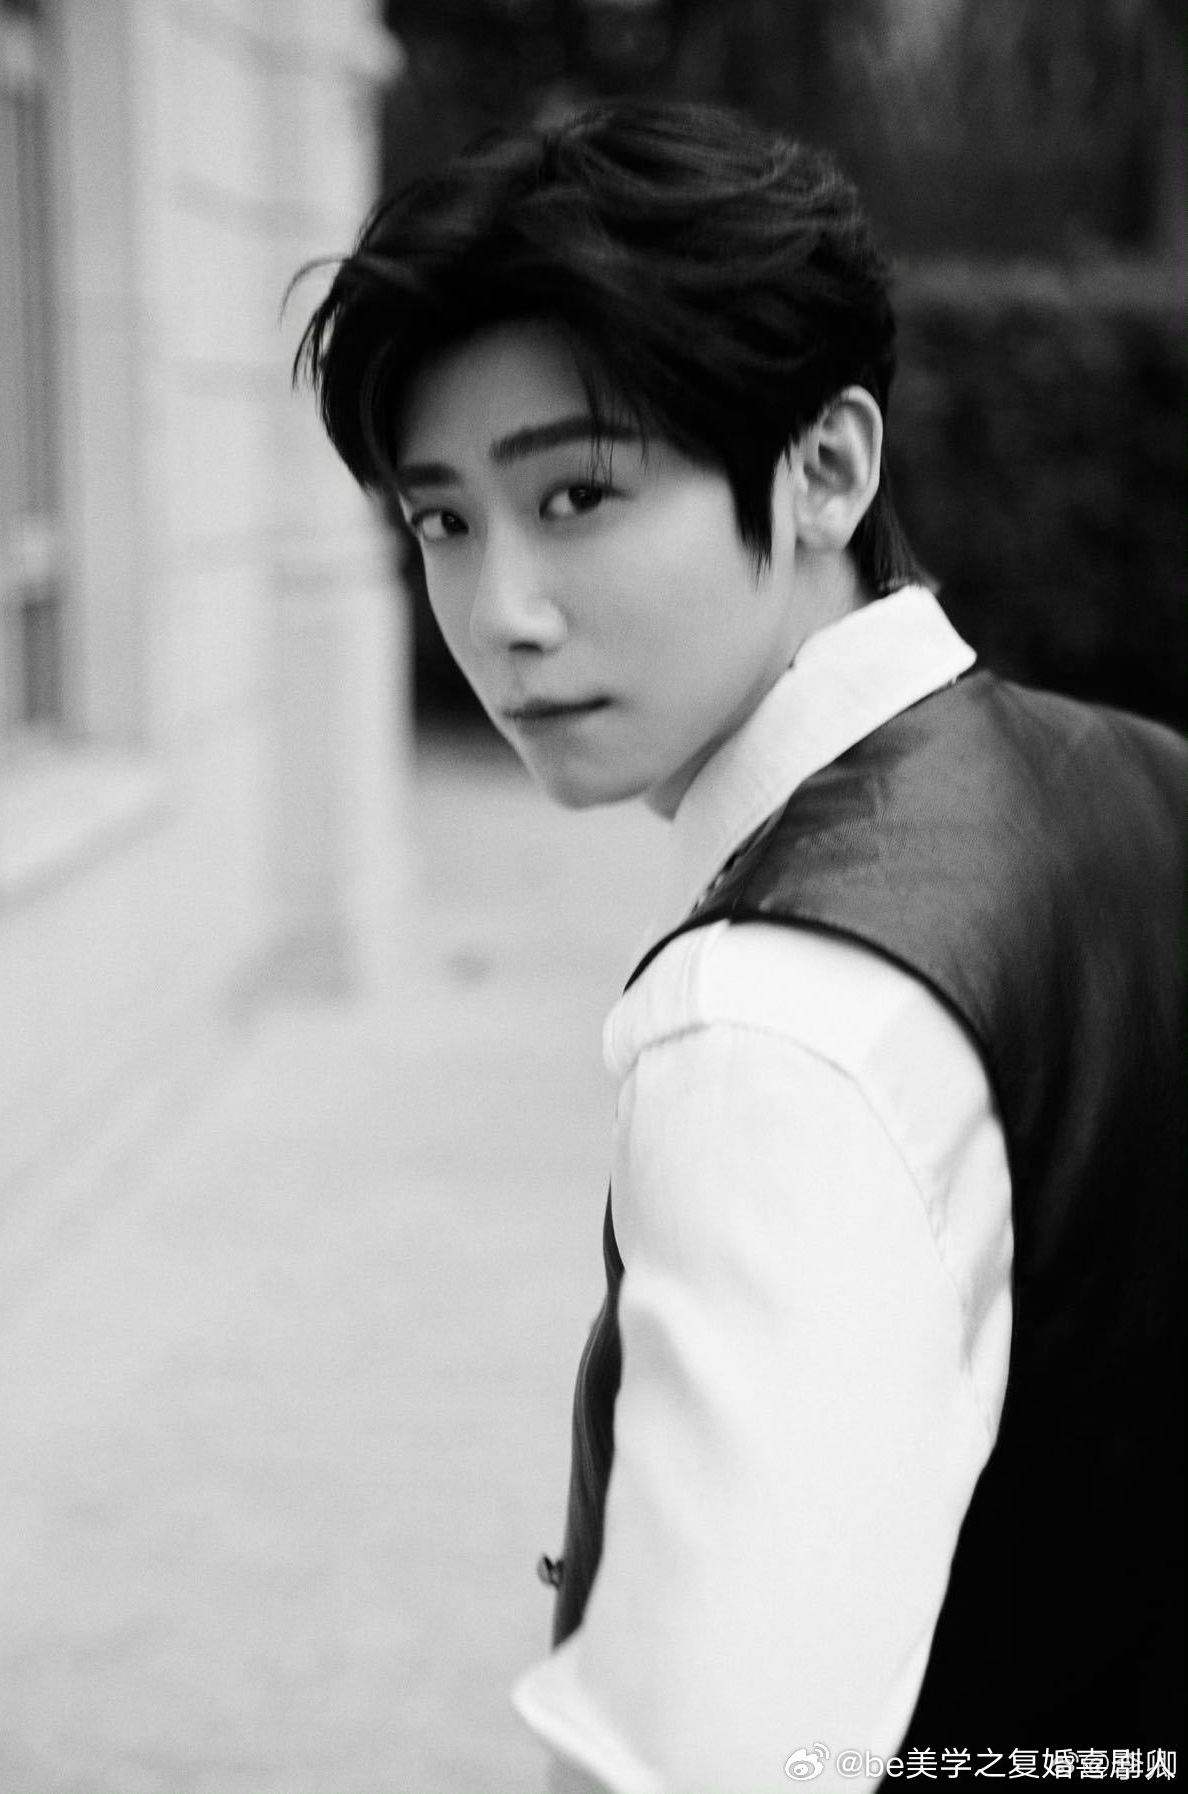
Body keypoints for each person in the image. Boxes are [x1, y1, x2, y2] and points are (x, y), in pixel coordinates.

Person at [293, 102, 1185, 1792]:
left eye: (576, 493)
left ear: (826, 468)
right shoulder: (1140, 776)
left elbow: (706, 1761)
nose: (499, 613)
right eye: (442, 521)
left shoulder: (774, 1021)